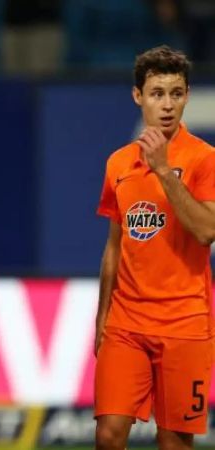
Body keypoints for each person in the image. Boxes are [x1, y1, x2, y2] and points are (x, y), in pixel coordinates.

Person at [95, 45, 215, 450]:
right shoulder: (118, 163)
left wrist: (164, 170)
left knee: (174, 441)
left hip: (186, 323)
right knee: (108, 434)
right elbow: (115, 246)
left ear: (186, 96)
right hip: (127, 324)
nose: (167, 105)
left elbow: (207, 230)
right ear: (138, 96)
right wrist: (102, 319)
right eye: (157, 93)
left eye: (176, 93)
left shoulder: (204, 159)